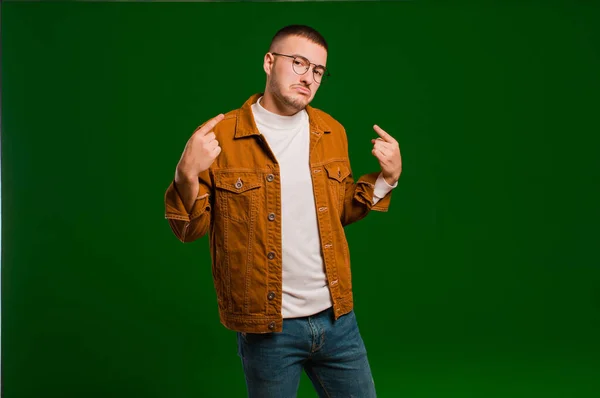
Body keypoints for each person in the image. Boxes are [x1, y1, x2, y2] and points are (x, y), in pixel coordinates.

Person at [164, 24, 402, 398]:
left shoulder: (332, 131)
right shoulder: (220, 136)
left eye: (318, 71)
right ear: (269, 62)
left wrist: (387, 179)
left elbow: (338, 213)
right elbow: (189, 230)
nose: (308, 77)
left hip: (338, 320)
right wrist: (185, 174)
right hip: (268, 329)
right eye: (298, 63)